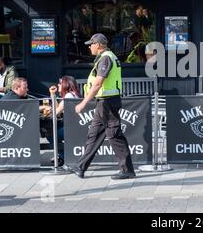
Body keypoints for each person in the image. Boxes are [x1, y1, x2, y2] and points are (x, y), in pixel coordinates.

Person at [66, 33, 135, 180]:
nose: (89, 47)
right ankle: (81, 167)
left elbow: (98, 83)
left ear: (98, 45)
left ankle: (127, 169)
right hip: (104, 102)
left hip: (108, 102)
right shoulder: (105, 57)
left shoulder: (106, 58)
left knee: (114, 135)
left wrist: (83, 103)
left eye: (91, 44)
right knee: (94, 134)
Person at [40, 76, 81, 165]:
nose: (58, 85)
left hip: (72, 128)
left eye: (60, 83)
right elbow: (58, 109)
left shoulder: (69, 96)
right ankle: (64, 156)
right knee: (54, 130)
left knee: (50, 134)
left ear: (65, 84)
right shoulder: (73, 94)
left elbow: (56, 112)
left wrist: (47, 110)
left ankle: (64, 157)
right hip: (75, 125)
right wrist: (53, 94)